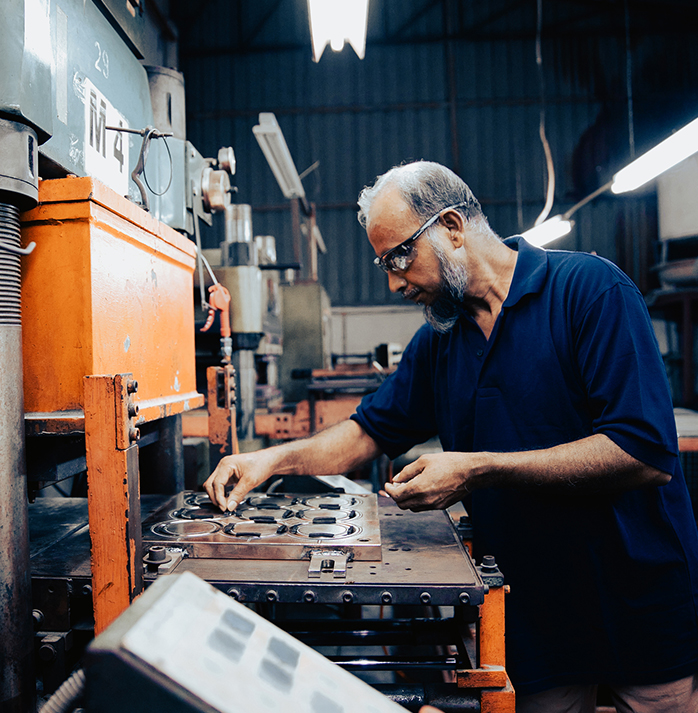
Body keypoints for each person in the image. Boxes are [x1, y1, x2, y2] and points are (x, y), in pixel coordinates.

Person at [205, 161, 698, 712]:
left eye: (399, 256)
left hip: (637, 595)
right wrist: (270, 460)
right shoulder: (441, 342)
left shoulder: (590, 292)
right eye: (382, 262)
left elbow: (643, 451)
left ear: (452, 227)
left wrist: (477, 468)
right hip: (535, 607)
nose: (392, 281)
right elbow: (367, 432)